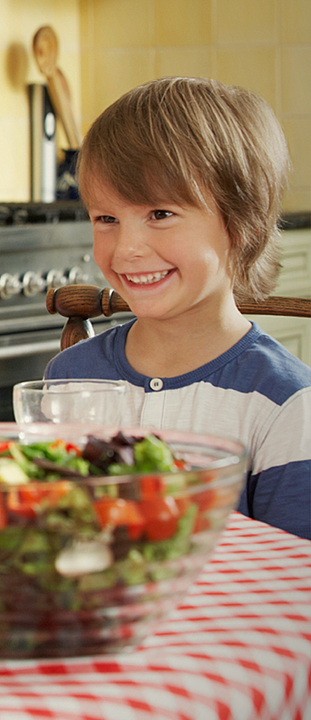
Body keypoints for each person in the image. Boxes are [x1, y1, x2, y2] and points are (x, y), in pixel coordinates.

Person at [44, 77, 310, 540]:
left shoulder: (284, 404)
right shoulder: (71, 375)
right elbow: (47, 524)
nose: (126, 249)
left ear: (241, 222)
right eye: (106, 219)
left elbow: (294, 577)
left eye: (160, 214)